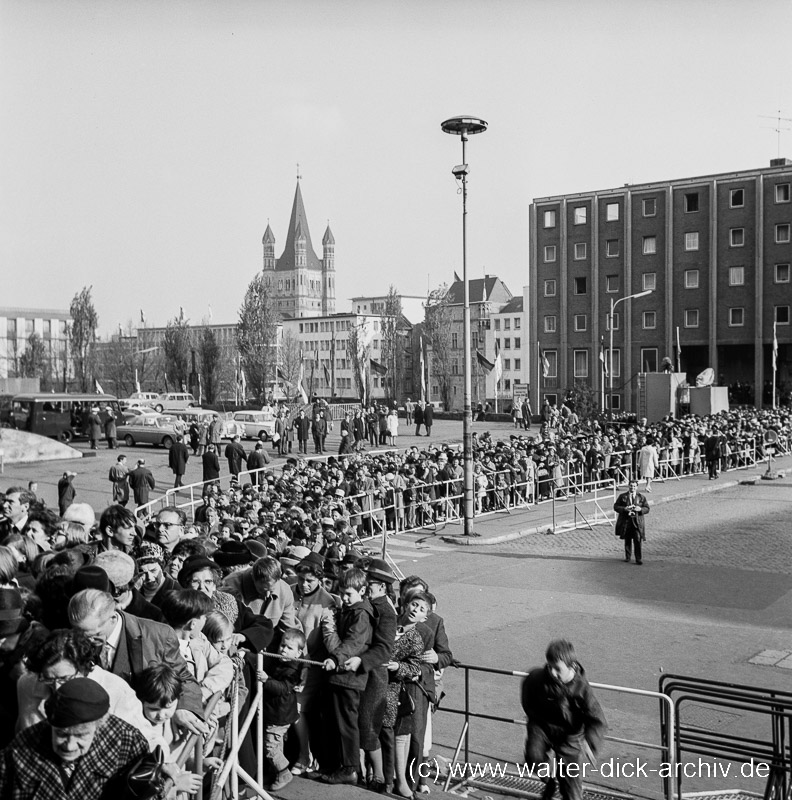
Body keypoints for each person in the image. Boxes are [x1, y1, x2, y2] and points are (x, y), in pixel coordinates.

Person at [67, 589, 208, 736]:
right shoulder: (73, 640)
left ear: (113, 618)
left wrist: (184, 708)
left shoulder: (159, 635)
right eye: (79, 634)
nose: (86, 641)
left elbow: (183, 677)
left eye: (95, 635)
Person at [0, 678, 149, 800]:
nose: (69, 746)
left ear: (99, 726)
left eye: (81, 735)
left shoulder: (126, 742)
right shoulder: (21, 750)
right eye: (61, 734)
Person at [520, 640, 607, 800]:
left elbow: (597, 719)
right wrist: (534, 718)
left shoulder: (582, 689)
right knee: (534, 756)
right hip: (543, 727)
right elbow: (527, 694)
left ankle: (564, 787)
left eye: (558, 669)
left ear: (572, 667)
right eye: (549, 666)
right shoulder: (539, 678)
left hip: (570, 735)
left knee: (571, 791)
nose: (552, 672)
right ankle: (549, 780)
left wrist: (590, 741)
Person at [320, 567, 374, 785]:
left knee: (346, 724)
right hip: (344, 677)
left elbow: (353, 643)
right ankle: (348, 767)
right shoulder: (352, 610)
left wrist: (335, 658)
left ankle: (350, 769)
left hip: (349, 678)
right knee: (340, 722)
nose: (344, 598)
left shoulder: (361, 614)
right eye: (342, 593)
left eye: (348, 594)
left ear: (362, 591)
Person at [256, 628, 305, 791]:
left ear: (298, 653)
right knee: (276, 746)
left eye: (289, 648)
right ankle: (274, 772)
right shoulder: (279, 661)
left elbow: (283, 688)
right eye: (283, 645)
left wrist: (266, 679)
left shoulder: (293, 670)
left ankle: (284, 772)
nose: (283, 649)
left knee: (270, 746)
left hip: (280, 716)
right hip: (274, 713)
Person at [614, 479, 650, 564]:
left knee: (637, 540)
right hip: (627, 521)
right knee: (627, 539)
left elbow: (647, 508)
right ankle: (628, 556)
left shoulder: (641, 497)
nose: (632, 488)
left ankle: (638, 558)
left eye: (634, 486)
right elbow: (616, 506)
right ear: (628, 486)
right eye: (631, 486)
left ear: (637, 487)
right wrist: (624, 509)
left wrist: (640, 509)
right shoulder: (623, 496)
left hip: (637, 522)